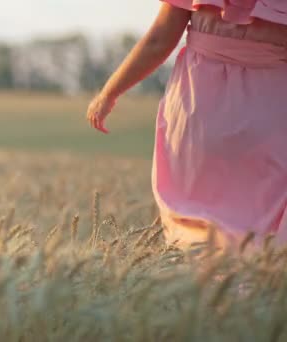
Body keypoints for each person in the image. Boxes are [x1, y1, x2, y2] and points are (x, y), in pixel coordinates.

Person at [86, 1, 287, 251]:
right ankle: (258, 283)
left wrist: (109, 93)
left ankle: (204, 285)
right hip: (272, 113)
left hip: (198, 111)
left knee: (196, 229)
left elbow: (159, 38)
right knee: (265, 231)